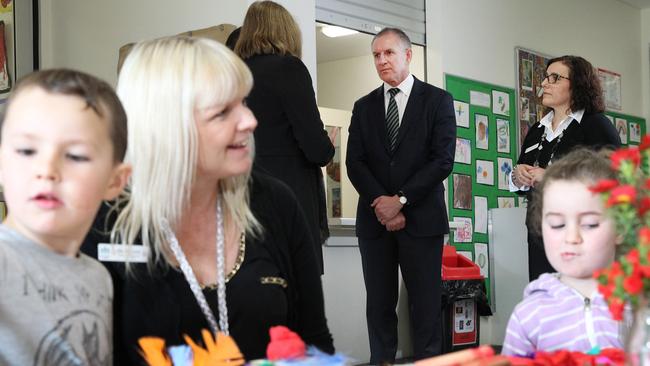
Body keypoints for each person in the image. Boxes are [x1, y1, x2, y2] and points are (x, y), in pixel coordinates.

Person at [82, 36, 334, 363]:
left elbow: (314, 343)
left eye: (244, 102)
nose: (250, 121)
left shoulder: (275, 204)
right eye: (222, 112)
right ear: (166, 125)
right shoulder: (101, 222)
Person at [0, 69, 130, 365]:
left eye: (75, 156)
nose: (47, 169)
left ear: (115, 181)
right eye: (26, 150)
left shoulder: (99, 279)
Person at [346, 28, 456, 363]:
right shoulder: (363, 107)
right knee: (379, 304)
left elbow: (442, 160)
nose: (381, 61)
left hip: (422, 220)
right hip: (375, 222)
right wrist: (383, 203)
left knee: (424, 305)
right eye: (376, 55)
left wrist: (402, 200)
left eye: (389, 53)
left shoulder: (437, 101)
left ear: (408, 55)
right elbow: (355, 162)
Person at [235, 1, 334, 273]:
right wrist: (328, 145)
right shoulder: (289, 69)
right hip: (287, 202)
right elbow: (317, 148)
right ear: (286, 31)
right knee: (293, 301)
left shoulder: (234, 75)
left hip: (241, 200)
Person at [502, 148, 623, 355]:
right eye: (557, 225)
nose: (571, 237)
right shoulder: (530, 316)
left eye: (590, 224)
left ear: (622, 226)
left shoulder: (639, 305)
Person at [510, 55, 621, 281]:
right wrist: (517, 175)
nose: (544, 84)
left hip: (580, 234)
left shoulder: (596, 125)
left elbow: (611, 177)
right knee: (547, 301)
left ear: (577, 84)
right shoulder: (536, 129)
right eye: (545, 77)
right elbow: (525, 174)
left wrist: (551, 176)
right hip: (539, 231)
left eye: (555, 78)